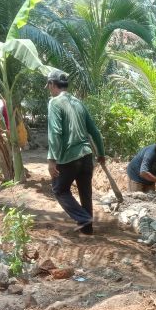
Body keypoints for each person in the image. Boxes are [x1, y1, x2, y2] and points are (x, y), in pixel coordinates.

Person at [46, 69, 106, 235]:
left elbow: (55, 133)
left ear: (52, 84)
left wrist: (52, 159)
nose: (49, 89)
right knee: (85, 193)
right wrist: (101, 154)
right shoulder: (78, 102)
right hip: (86, 156)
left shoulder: (54, 102)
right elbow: (95, 132)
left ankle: (83, 218)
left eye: (49, 85)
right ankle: (87, 229)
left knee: (59, 189)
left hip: (70, 158)